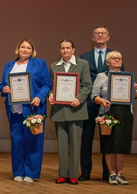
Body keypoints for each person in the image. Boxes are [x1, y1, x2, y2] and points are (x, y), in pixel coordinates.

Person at [0, 38, 52, 182]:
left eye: (28, 48)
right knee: (17, 141)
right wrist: (4, 89)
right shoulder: (9, 66)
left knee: (33, 140)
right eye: (23, 47)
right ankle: (17, 172)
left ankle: (31, 173)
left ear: (32, 51)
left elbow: (47, 84)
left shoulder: (39, 64)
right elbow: (2, 85)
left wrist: (40, 97)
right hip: (14, 109)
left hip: (33, 108)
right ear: (18, 49)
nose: (25, 50)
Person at [79, 26, 122, 181]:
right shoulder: (84, 56)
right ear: (92, 37)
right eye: (97, 33)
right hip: (89, 104)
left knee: (108, 138)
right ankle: (85, 171)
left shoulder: (115, 57)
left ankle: (108, 173)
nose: (100, 35)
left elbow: (120, 79)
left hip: (108, 105)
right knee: (86, 139)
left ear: (108, 37)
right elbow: (81, 80)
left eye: (103, 33)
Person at [48, 39, 92, 185]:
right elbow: (51, 86)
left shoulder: (82, 64)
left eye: (68, 48)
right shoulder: (54, 66)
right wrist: (51, 94)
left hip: (76, 109)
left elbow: (87, 86)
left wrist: (79, 98)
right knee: (61, 144)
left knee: (75, 144)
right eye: (62, 48)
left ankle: (73, 174)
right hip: (59, 111)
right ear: (59, 50)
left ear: (73, 50)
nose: (65, 51)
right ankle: (62, 174)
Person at [90, 51, 137, 185]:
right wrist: (102, 101)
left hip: (125, 114)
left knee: (122, 145)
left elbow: (132, 97)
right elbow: (94, 95)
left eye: (119, 58)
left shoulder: (127, 77)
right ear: (107, 62)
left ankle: (120, 174)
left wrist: (135, 90)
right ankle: (111, 174)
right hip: (108, 112)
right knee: (109, 145)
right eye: (113, 58)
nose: (117, 60)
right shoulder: (101, 76)